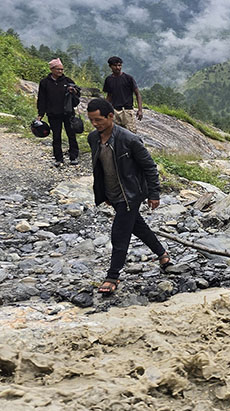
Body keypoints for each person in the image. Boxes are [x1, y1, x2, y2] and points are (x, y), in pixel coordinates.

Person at [85, 98, 171, 294]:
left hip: (131, 194)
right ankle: (162, 254)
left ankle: (112, 276)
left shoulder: (129, 139)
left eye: (98, 119)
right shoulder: (93, 138)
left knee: (120, 233)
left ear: (110, 116)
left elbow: (149, 166)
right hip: (113, 193)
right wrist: (103, 192)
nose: (95, 124)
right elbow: (100, 168)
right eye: (91, 120)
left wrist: (153, 193)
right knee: (138, 227)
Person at [36, 58, 81, 166]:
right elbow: (42, 99)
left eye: (61, 69)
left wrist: (74, 91)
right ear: (51, 69)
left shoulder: (68, 81)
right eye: (58, 69)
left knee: (71, 135)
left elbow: (78, 94)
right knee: (56, 136)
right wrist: (40, 114)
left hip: (68, 113)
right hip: (53, 114)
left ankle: (73, 156)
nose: (60, 71)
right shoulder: (44, 83)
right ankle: (58, 158)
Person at [103, 56, 143, 133]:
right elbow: (109, 96)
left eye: (119, 65)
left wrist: (140, 110)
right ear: (110, 66)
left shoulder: (128, 78)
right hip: (114, 110)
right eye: (115, 65)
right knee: (115, 133)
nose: (118, 67)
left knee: (131, 133)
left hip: (127, 110)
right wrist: (105, 109)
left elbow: (138, 94)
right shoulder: (109, 80)